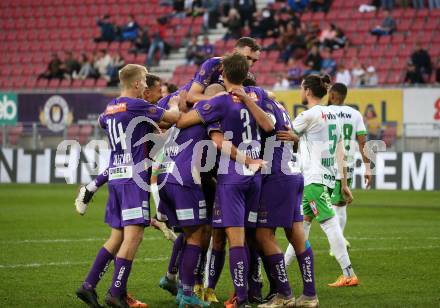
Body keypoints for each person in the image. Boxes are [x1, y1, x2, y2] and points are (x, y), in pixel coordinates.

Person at [75, 64, 181, 308]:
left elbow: (105, 121)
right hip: (134, 179)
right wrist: (174, 102)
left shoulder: (111, 107)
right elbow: (173, 118)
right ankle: (116, 292)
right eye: (144, 81)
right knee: (134, 236)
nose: (145, 86)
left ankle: (88, 286)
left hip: (116, 176)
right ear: (135, 83)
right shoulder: (136, 105)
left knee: (117, 236)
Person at [176, 53, 274, 308]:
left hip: (233, 176)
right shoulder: (257, 97)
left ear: (223, 75)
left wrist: (183, 105)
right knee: (250, 238)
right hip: (257, 179)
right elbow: (269, 127)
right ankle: (253, 290)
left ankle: (240, 298)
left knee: (236, 241)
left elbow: (184, 122)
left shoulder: (219, 101)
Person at [284, 74, 358, 288]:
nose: (300, 90)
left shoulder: (307, 115)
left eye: (300, 86)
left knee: (329, 222)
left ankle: (348, 272)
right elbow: (342, 150)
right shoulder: (333, 115)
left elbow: (284, 135)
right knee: (301, 226)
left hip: (312, 178)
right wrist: (343, 183)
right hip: (324, 177)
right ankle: (280, 270)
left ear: (307, 91)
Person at [255, 89, 319, 307]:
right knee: (296, 234)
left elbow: (267, 126)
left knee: (264, 236)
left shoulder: (260, 106)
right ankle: (310, 295)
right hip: (293, 174)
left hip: (277, 177)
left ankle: (284, 294)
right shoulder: (279, 106)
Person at [327, 83, 372, 254]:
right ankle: (337, 242)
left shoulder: (325, 112)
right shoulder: (355, 114)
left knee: (322, 207)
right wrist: (368, 168)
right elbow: (362, 143)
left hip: (326, 164)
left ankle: (336, 244)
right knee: (340, 206)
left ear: (332, 95)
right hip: (347, 165)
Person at [186, 36, 261, 104]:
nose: (250, 64)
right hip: (182, 102)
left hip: (208, 110)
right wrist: (222, 100)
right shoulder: (214, 64)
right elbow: (191, 97)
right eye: (247, 58)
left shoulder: (248, 77)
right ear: (235, 52)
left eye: (254, 60)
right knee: (215, 89)